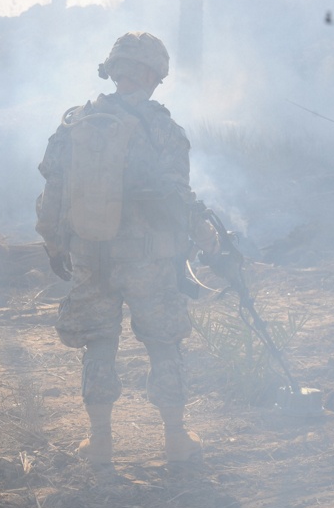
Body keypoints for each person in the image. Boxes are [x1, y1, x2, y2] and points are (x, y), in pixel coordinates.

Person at [35, 31, 219, 466]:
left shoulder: (75, 123)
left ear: (114, 70)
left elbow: (52, 193)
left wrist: (55, 243)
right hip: (149, 258)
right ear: (155, 76)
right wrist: (205, 238)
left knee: (98, 342)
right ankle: (175, 439)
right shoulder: (162, 129)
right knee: (163, 341)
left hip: (90, 253)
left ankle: (99, 442)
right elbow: (177, 195)